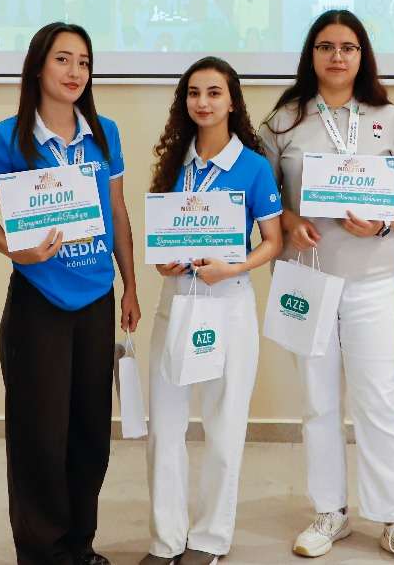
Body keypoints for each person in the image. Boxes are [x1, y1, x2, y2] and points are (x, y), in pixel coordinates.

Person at [260, 10, 394, 565]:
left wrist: (384, 222)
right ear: (310, 55)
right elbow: (262, 199)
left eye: (348, 47)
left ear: (363, 56)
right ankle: (330, 512)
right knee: (317, 403)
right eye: (325, 46)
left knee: (378, 401)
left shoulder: (389, 117)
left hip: (373, 280)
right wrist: (290, 220)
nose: (337, 56)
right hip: (306, 278)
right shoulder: (282, 122)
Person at [0, 22, 141, 565]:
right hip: (38, 301)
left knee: (89, 433)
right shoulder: (7, 137)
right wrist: (15, 250)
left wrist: (130, 285)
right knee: (39, 435)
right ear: (38, 66)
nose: (75, 72)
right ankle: (42, 553)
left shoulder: (105, 132)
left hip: (95, 299)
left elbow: (117, 212)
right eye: (63, 59)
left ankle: (79, 546)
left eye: (84, 63)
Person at [141, 57, 284, 565]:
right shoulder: (173, 163)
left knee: (224, 427)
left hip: (228, 302)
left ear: (232, 101)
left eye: (214, 92)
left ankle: (209, 538)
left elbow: (273, 240)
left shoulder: (254, 167)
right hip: (175, 300)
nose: (202, 102)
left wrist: (233, 267)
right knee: (165, 427)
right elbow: (162, 237)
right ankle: (166, 540)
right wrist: (161, 262)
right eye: (194, 93)